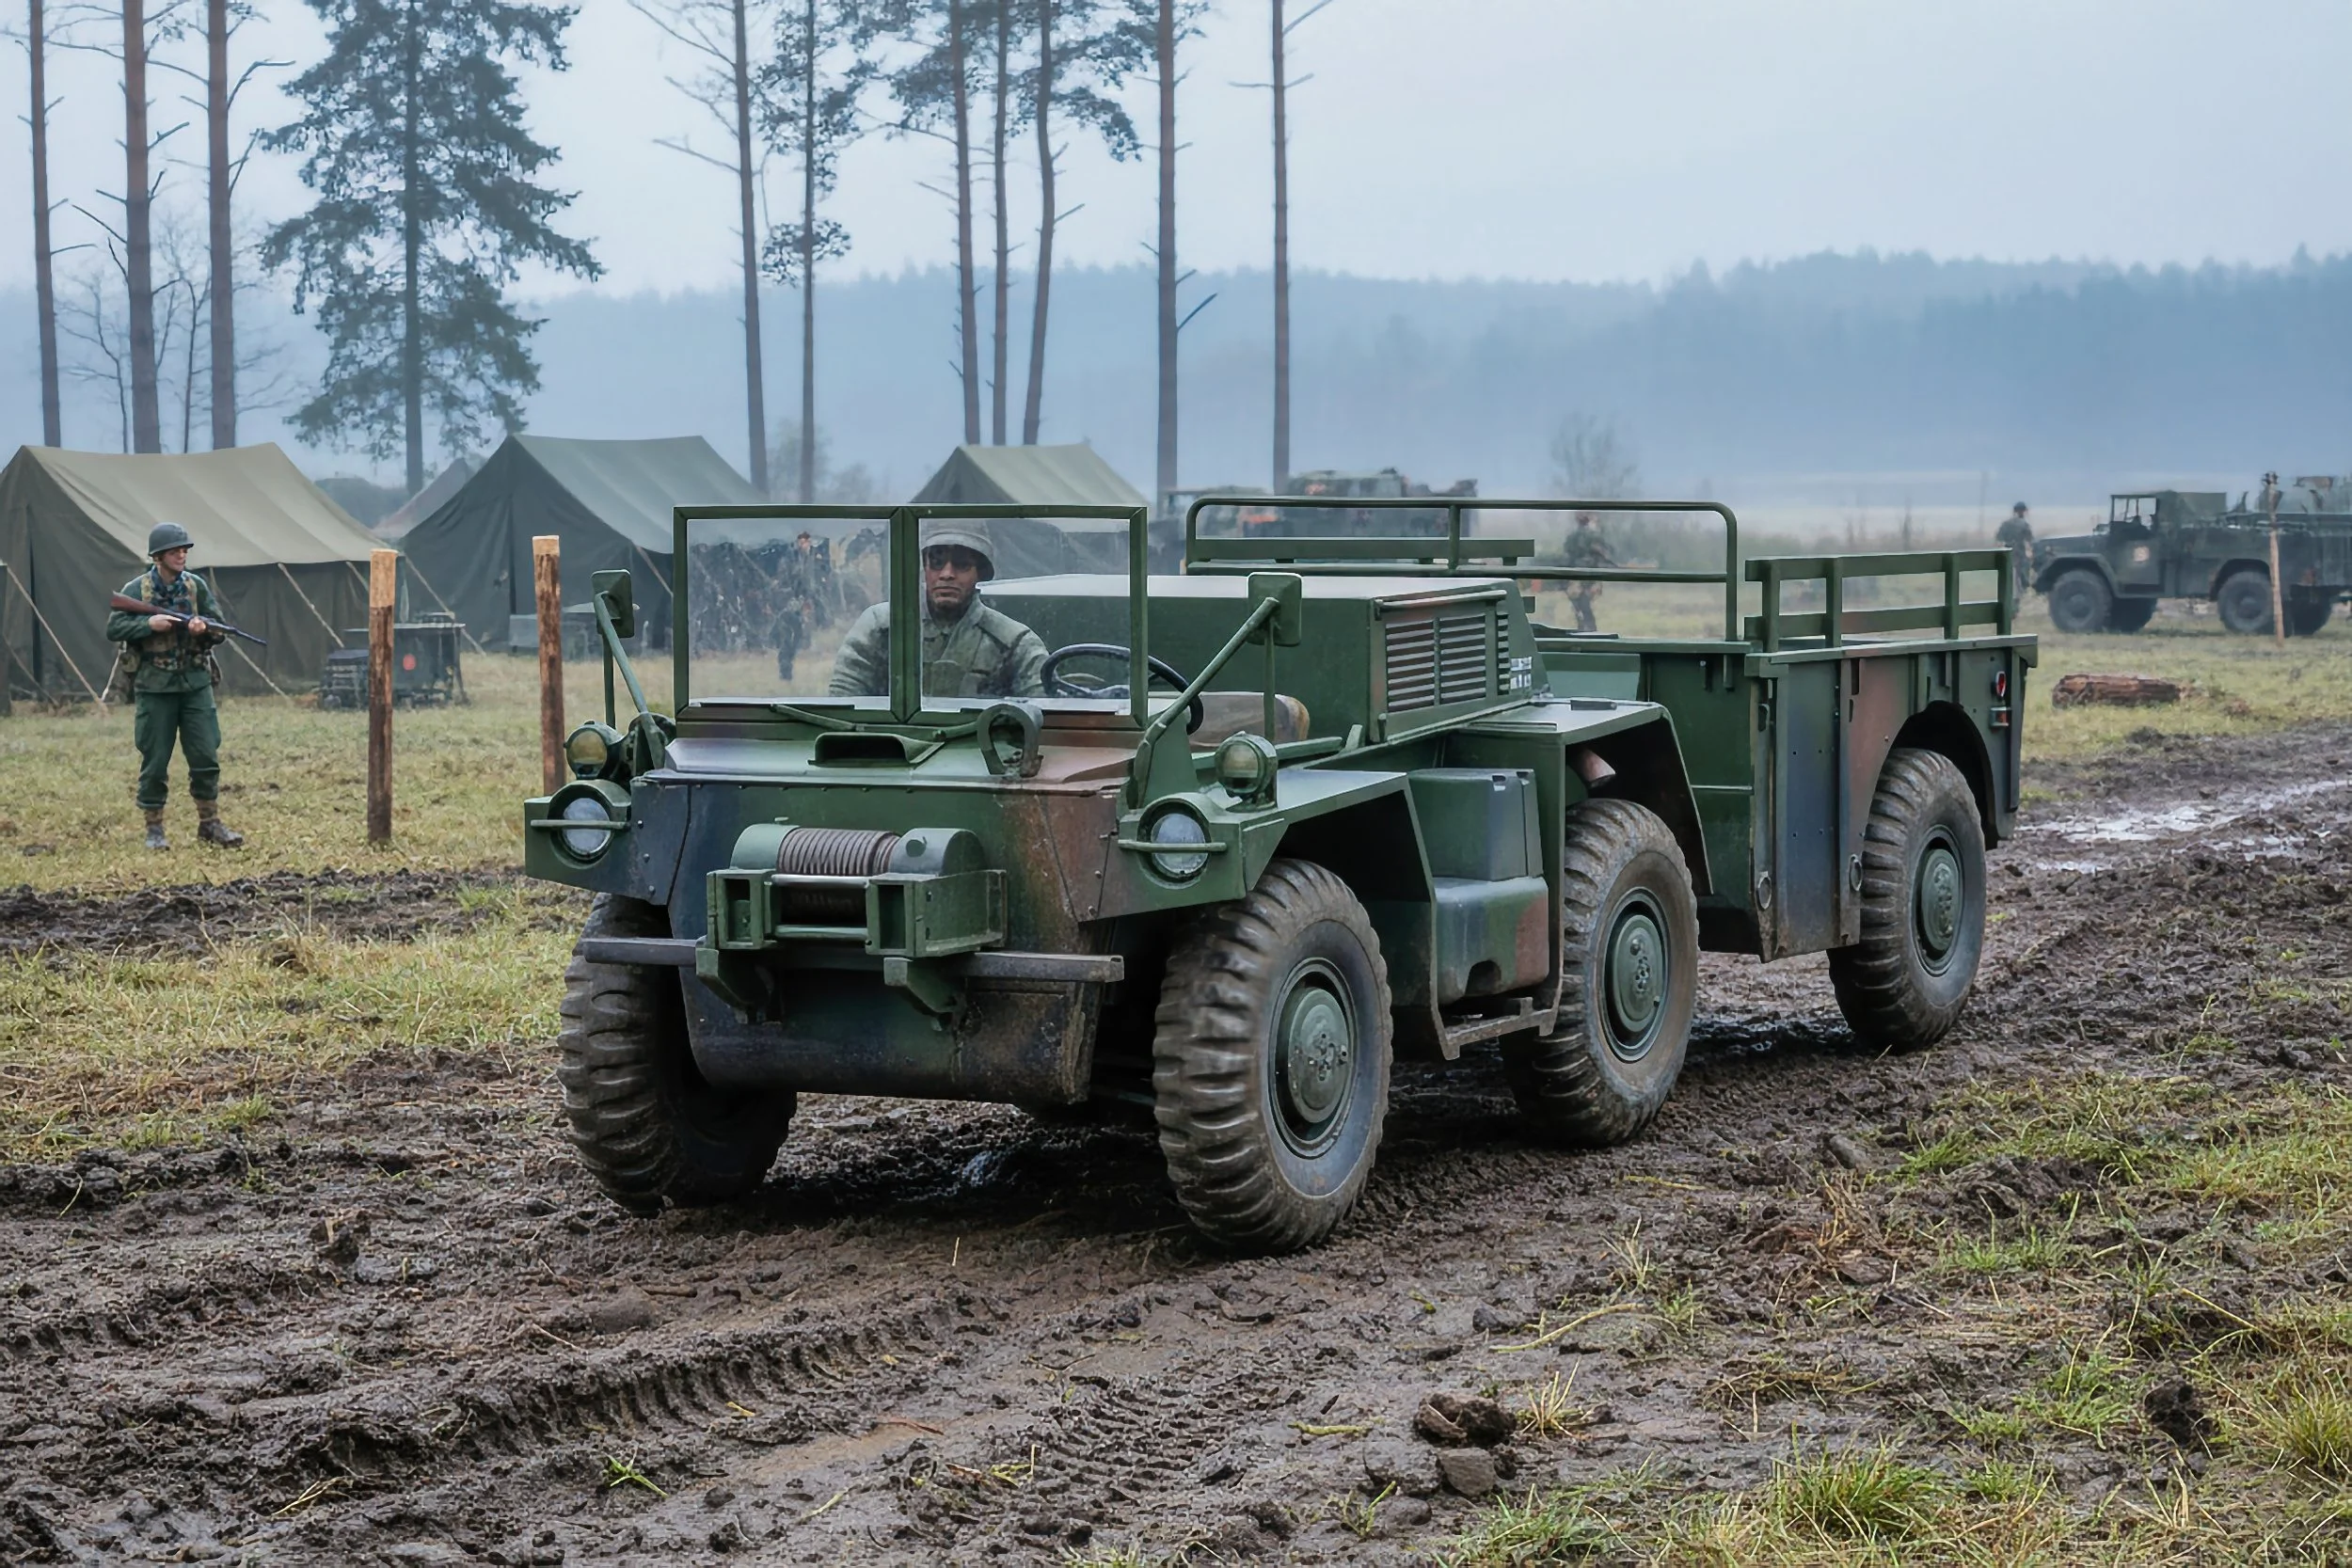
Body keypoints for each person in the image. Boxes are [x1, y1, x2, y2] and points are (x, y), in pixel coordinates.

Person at [103, 521, 245, 850]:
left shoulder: (196, 587)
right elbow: (115, 627)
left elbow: (219, 628)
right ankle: (154, 830)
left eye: (184, 550)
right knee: (154, 760)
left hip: (195, 683)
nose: (182, 554)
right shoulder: (137, 590)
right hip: (155, 687)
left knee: (206, 754)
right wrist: (148, 624)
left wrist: (204, 628)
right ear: (158, 556)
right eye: (174, 550)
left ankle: (209, 823)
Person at [829, 522, 1048, 699]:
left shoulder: (1013, 642)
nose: (947, 574)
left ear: (980, 572)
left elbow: (1043, 716)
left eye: (961, 564)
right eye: (936, 562)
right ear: (924, 566)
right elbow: (844, 701)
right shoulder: (881, 626)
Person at [1561, 512, 1614, 634]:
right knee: (1585, 604)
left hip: (1575, 573)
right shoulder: (1593, 536)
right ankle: (1589, 629)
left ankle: (1584, 627)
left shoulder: (1572, 536)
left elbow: (1567, 554)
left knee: (1579, 603)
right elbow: (1603, 554)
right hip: (1588, 574)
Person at [1995, 502, 2034, 595]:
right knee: (2023, 572)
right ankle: (2022, 592)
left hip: (2007, 551)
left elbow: (1999, 538)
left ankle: (2011, 593)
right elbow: (2030, 539)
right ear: (2023, 512)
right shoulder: (2024, 524)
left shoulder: (2006, 523)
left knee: (2010, 574)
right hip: (2019, 552)